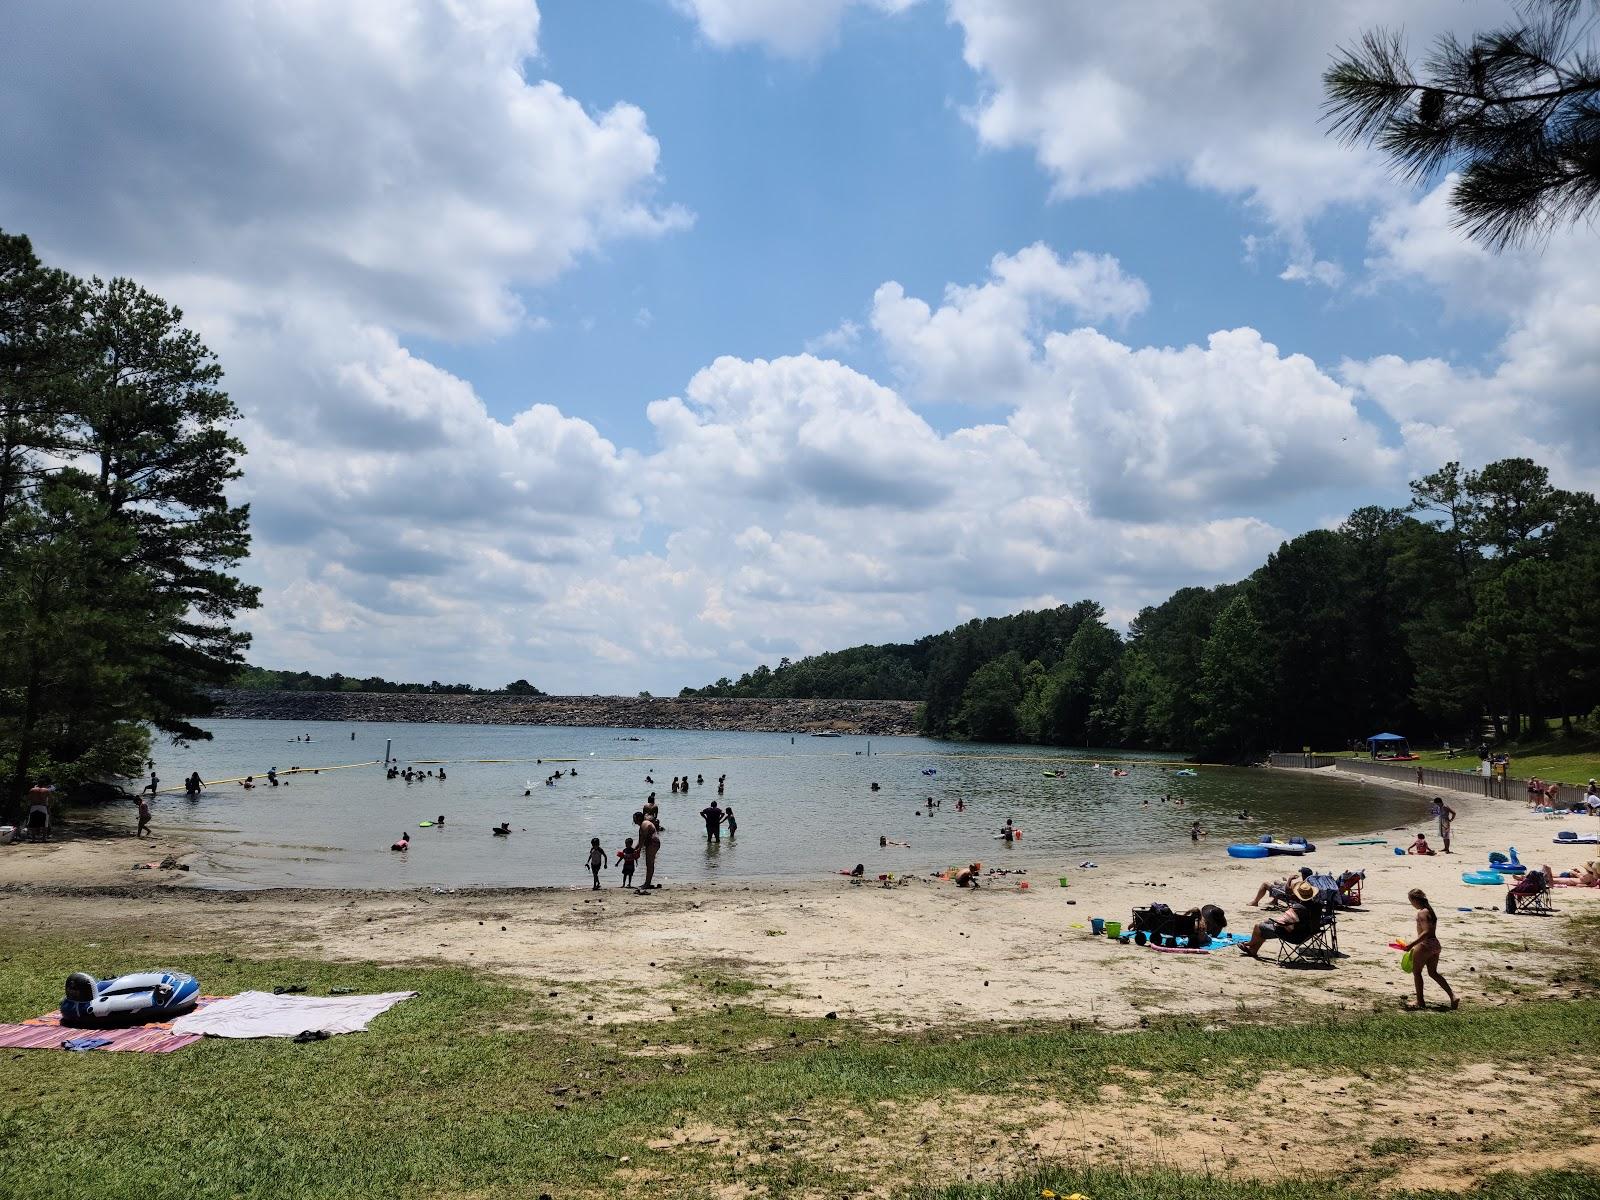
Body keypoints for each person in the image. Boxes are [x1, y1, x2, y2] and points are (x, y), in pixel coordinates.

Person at [1403, 888, 1457, 1010]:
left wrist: (1411, 945)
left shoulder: (1422, 912)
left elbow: (1427, 932)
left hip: (1425, 945)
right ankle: (1453, 996)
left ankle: (1420, 1001)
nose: (1411, 904)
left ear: (1415, 900)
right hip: (1435, 945)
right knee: (1433, 973)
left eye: (1411, 901)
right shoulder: (1430, 911)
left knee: (1417, 973)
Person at [1239, 881, 1320, 956]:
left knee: (1258, 927)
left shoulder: (1298, 908)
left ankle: (1250, 943)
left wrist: (1275, 922)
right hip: (1309, 933)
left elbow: (1280, 923)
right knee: (1267, 923)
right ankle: (1253, 950)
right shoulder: (1317, 906)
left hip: (1294, 936)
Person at [633, 810, 662, 889]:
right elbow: (640, 840)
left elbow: (643, 837)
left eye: (634, 819)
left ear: (638, 818)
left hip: (652, 843)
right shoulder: (643, 824)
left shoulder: (644, 824)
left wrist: (638, 850)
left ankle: (647, 883)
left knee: (649, 864)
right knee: (650, 864)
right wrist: (634, 848)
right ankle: (647, 882)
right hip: (654, 843)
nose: (634, 821)